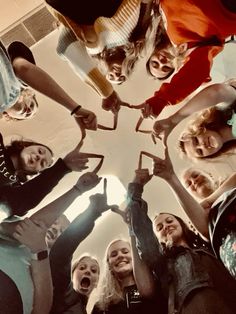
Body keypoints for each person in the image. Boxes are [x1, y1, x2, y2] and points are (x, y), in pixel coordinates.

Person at [126, 167, 236, 313]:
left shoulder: (208, 245)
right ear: (158, 239)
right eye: (159, 227)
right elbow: (142, 232)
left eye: (169, 221)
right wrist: (135, 190)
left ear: (181, 224)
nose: (166, 226)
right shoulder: (161, 263)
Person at [0, 171, 102, 314]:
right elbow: (32, 226)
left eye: (61, 231)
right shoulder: (13, 238)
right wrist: (77, 190)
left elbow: (42, 310)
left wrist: (40, 251)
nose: (55, 229)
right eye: (54, 223)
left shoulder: (50, 275)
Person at [46, 0, 154, 114]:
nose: (116, 75)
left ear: (102, 70)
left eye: (111, 76)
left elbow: (64, 48)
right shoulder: (137, 41)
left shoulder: (92, 51)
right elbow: (145, 5)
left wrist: (106, 91)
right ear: (130, 69)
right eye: (121, 77)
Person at [135, 0, 236, 120]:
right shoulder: (191, 50)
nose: (161, 62)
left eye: (155, 63)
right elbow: (195, 73)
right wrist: (162, 99)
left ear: (152, 53)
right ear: (176, 67)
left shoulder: (158, 21)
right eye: (166, 68)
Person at [149, 147, 236, 279]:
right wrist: (170, 177)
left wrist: (208, 202)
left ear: (210, 175)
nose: (194, 181)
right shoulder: (203, 221)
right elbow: (206, 231)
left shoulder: (231, 183)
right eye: (188, 184)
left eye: (195, 175)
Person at [49, 178, 118, 314]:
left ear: (97, 282)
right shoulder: (62, 291)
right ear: (72, 274)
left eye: (93, 271)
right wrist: (92, 213)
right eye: (82, 267)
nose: (88, 271)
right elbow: (61, 252)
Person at [0, 40, 97, 129]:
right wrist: (74, 109)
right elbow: (23, 68)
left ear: (9, 116)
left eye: (25, 116)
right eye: (32, 105)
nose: (29, 111)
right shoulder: (16, 82)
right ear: (29, 95)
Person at [0, 139, 89, 219]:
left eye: (42, 163)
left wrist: (63, 167)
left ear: (36, 172)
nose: (39, 157)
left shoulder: (13, 187)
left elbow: (23, 201)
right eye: (40, 151)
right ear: (27, 145)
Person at [151, 79, 236, 144]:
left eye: (196, 140)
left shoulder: (226, 111)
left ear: (199, 130)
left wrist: (173, 120)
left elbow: (218, 92)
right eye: (200, 151)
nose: (202, 145)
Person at [91, 237, 162, 314]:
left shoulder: (156, 286)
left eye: (125, 252)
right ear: (109, 264)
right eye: (114, 255)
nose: (120, 256)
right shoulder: (101, 305)